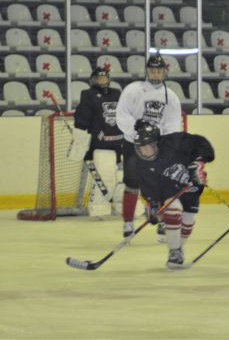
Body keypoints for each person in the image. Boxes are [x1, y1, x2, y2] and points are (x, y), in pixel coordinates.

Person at [131, 120, 214, 269]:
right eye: (141, 148)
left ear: (157, 143)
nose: (145, 152)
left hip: (190, 188)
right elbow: (147, 189)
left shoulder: (174, 142)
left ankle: (178, 249)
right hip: (168, 192)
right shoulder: (141, 165)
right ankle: (174, 251)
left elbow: (201, 143)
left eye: (148, 147)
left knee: (188, 221)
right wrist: (154, 207)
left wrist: (199, 163)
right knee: (174, 209)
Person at [116, 53, 182, 238]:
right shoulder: (132, 90)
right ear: (147, 71)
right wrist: (137, 129)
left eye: (158, 71)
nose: (155, 74)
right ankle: (128, 223)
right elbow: (121, 115)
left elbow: (173, 125)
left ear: (164, 72)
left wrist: (161, 138)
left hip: (156, 148)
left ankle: (161, 221)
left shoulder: (171, 97)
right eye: (152, 71)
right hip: (132, 144)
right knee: (132, 184)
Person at [69, 67, 124, 216]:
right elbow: (82, 119)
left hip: (121, 144)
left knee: (124, 178)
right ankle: (99, 209)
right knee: (104, 177)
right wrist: (81, 143)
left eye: (105, 78)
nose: (102, 81)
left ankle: (125, 207)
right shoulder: (88, 95)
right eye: (99, 79)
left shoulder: (117, 93)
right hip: (100, 145)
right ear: (92, 81)